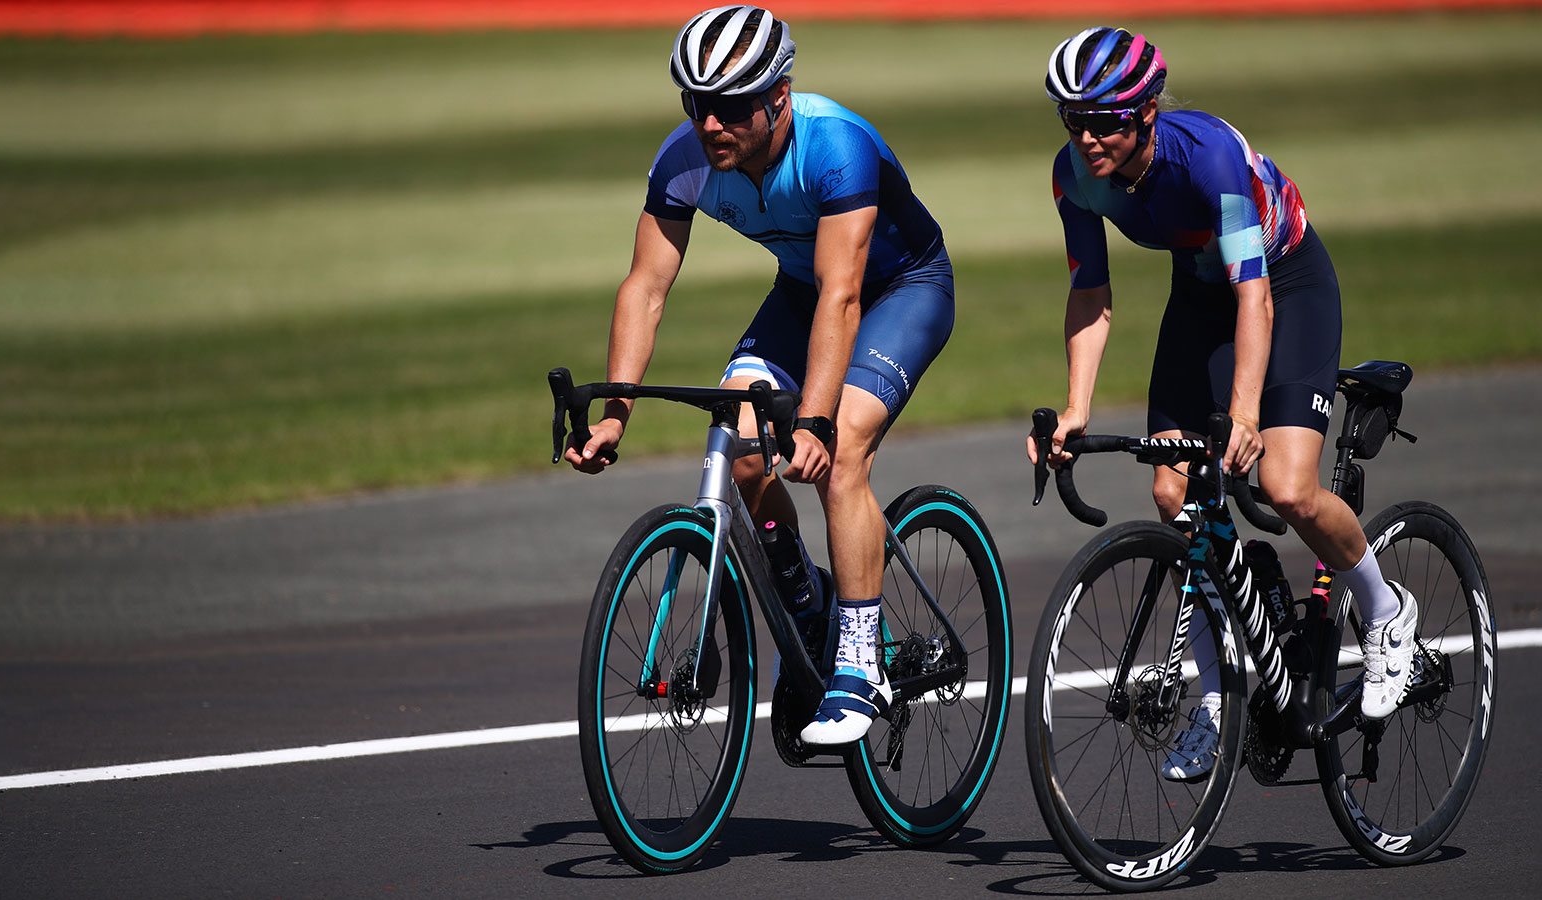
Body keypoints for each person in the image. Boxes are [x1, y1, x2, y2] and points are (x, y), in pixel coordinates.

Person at [1024, 27, 1419, 780]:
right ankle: (1219, 694)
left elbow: (1255, 293)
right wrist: (1075, 405)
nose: (1086, 137)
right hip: (1200, 294)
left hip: (1284, 282)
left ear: (1145, 114)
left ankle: (1387, 610)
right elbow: (1090, 290)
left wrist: (1243, 416)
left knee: (1287, 486)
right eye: (1072, 120)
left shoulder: (1207, 157)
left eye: (1104, 120)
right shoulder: (1073, 175)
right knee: (1173, 492)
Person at [563, 5, 955, 745]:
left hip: (901, 291)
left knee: (839, 457)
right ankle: (808, 612)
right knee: (741, 450)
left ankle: (858, 664)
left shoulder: (834, 145)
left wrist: (812, 419)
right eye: (696, 104)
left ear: (778, 96)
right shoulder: (684, 161)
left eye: (730, 108)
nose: (710, 125)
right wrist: (616, 412)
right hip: (806, 293)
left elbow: (845, 295)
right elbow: (646, 286)